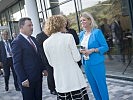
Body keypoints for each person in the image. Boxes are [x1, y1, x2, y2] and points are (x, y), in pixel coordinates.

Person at [43, 15, 89, 100]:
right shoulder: (68, 37)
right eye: (63, 23)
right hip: (74, 78)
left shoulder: (45, 43)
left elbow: (51, 63)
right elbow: (77, 58)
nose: (65, 25)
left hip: (60, 79)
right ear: (60, 24)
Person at [11, 17, 47, 100]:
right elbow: (17, 63)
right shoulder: (17, 42)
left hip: (37, 77)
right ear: (21, 27)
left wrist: (43, 68)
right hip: (27, 80)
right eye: (29, 25)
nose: (32, 27)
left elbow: (38, 56)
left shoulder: (33, 39)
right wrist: (23, 79)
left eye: (32, 25)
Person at [79, 12, 109, 100]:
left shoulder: (97, 32)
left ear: (89, 20)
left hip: (97, 63)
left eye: (84, 20)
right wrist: (81, 50)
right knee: (93, 86)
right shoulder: (81, 34)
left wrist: (93, 50)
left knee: (101, 86)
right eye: (81, 21)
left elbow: (105, 47)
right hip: (86, 64)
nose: (82, 23)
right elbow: (81, 46)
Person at [36, 29, 57, 95]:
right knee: (50, 74)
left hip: (54, 57)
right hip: (46, 59)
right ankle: (52, 89)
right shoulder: (39, 36)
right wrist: (44, 59)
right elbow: (40, 50)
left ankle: (57, 86)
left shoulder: (52, 34)